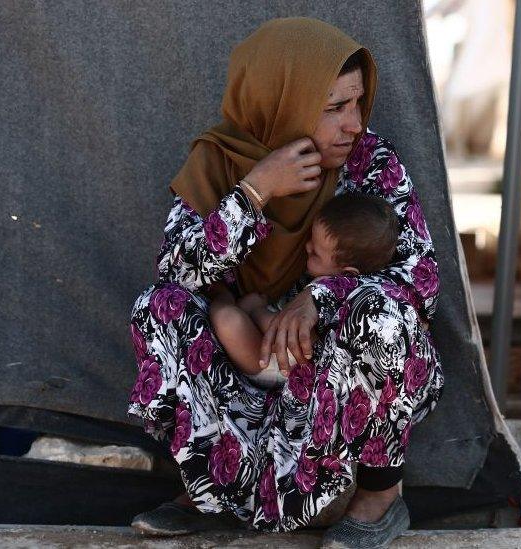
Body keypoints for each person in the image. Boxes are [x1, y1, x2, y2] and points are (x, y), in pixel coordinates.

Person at [126, 17, 444, 546]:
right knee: (158, 307)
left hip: (329, 369)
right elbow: (177, 272)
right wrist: (255, 191)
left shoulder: (370, 162)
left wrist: (318, 297)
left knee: (385, 319)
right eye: (334, 107)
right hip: (244, 365)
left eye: (358, 102)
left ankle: (379, 499)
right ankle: (210, 488)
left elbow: (418, 283)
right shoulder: (220, 163)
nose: (355, 124)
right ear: (281, 104)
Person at [208, 194, 401, 389]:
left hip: (275, 366)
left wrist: (255, 310)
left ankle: (222, 296)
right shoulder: (326, 276)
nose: (307, 247)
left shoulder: (336, 306)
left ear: (346, 273)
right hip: (267, 347)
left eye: (315, 253)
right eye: (310, 239)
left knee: (226, 318)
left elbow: (283, 333)